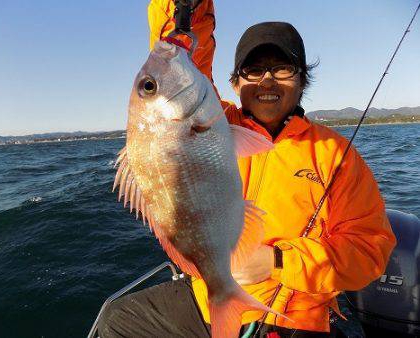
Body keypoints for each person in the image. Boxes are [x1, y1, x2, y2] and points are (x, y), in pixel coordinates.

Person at [98, 1, 397, 337]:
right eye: (253, 71)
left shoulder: (336, 154)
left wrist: (277, 261)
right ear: (236, 84)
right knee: (117, 319)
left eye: (282, 68)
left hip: (290, 315)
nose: (267, 80)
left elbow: (371, 249)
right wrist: (183, 9)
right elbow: (182, 47)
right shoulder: (215, 120)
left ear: (302, 81)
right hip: (207, 294)